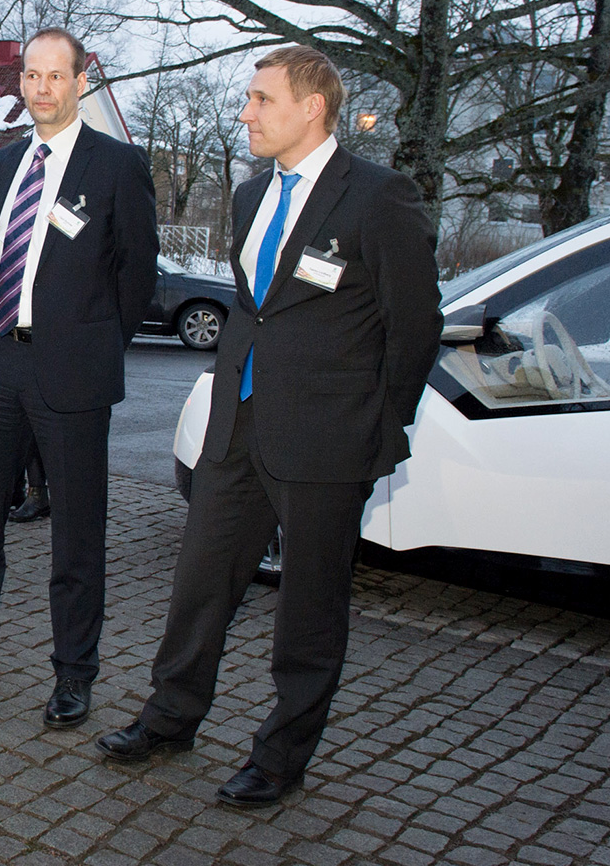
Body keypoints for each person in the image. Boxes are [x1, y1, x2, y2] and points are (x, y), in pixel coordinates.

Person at [95, 45, 441, 809]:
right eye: (247, 99)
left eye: (260, 99)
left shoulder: (379, 198)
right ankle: (170, 717)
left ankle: (282, 757)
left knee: (309, 612)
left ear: (311, 106)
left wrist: (384, 429)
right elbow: (257, 310)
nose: (245, 113)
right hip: (236, 430)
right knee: (198, 589)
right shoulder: (252, 198)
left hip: (327, 443)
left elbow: (415, 325)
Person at [0, 28, 158, 733]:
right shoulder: (9, 157)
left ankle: (75, 672)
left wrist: (95, 344)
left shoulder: (117, 165)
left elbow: (137, 275)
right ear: (21, 82)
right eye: (32, 75)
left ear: (81, 82)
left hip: (71, 372)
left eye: (57, 76)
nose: (43, 87)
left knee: (76, 529)